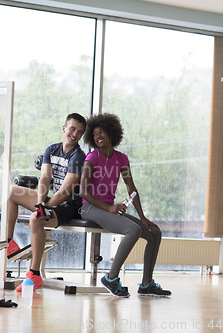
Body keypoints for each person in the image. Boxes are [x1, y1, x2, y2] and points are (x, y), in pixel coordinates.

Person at [79, 113, 171, 298]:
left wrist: (142, 217)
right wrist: (109, 208)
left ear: (112, 133)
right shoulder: (92, 157)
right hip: (89, 208)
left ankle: (146, 284)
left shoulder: (121, 159)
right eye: (95, 134)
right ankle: (111, 278)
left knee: (154, 233)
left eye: (102, 132)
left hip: (106, 208)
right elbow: (83, 192)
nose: (98, 137)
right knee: (133, 230)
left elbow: (131, 187)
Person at [1, 113, 87, 291]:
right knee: (10, 192)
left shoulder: (79, 156)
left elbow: (65, 191)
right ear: (64, 128)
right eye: (72, 128)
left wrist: (43, 208)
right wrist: (41, 202)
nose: (75, 134)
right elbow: (45, 178)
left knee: (35, 218)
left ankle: (34, 275)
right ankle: (9, 243)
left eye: (80, 132)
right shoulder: (51, 150)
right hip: (52, 201)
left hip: (70, 206)